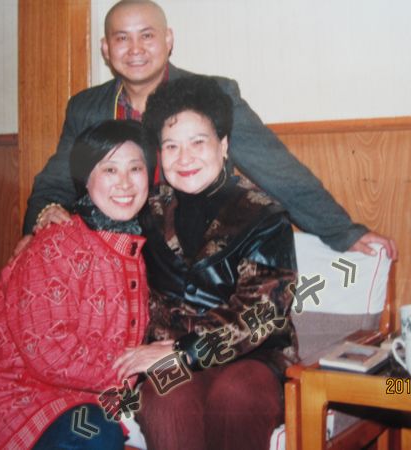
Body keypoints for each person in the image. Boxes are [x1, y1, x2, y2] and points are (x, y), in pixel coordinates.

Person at [21, 0, 397, 259]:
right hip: (113, 253)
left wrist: (343, 231)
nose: (135, 49)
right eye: (122, 38)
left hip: (196, 255)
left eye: (147, 35)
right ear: (106, 49)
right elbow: (56, 181)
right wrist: (42, 216)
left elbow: (278, 169)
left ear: (168, 40)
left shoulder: (212, 94)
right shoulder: (86, 107)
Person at [111, 75, 298, 450]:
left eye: (198, 142)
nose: (185, 158)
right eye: (171, 146)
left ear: (223, 145)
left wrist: (184, 351)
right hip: (170, 358)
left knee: (234, 396)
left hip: (253, 357)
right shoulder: (148, 212)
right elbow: (98, 212)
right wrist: (50, 214)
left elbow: (260, 315)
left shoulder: (263, 215)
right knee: (165, 401)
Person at [0, 120, 151, 450]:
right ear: (85, 179)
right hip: (18, 397)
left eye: (135, 168)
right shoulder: (55, 245)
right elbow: (49, 351)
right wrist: (134, 370)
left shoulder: (132, 248)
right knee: (95, 433)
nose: (125, 183)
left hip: (95, 399)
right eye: (109, 169)